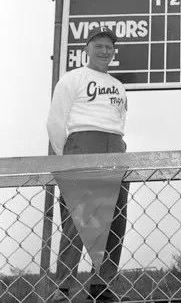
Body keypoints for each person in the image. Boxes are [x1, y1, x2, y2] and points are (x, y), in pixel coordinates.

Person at [47, 27, 130, 302]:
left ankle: (102, 285)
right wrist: (69, 155)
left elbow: (119, 123)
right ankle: (64, 288)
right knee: (76, 220)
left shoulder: (119, 86)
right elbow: (56, 123)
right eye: (98, 45)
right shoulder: (72, 79)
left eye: (109, 46)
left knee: (115, 219)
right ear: (87, 48)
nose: (104, 51)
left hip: (115, 148)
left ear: (113, 51)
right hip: (82, 145)